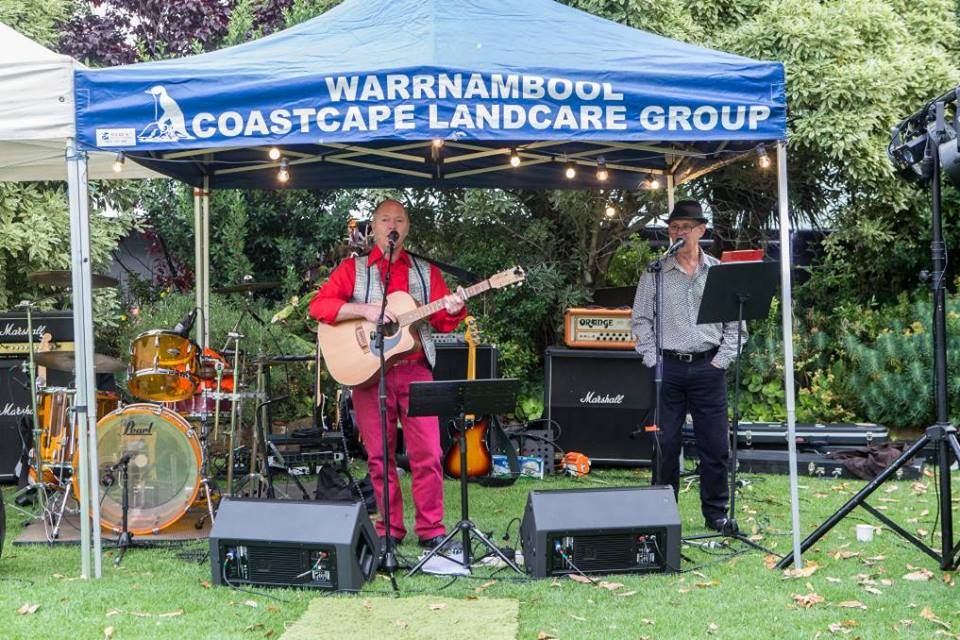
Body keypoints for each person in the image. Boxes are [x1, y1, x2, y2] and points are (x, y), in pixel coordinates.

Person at [309, 199, 466, 550]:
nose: (391, 225)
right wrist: (363, 309)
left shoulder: (426, 272)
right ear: (374, 227)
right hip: (370, 374)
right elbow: (319, 306)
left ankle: (431, 531)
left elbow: (442, 319)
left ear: (406, 228)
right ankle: (390, 530)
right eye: (384, 219)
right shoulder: (354, 269)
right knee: (380, 457)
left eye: (399, 219)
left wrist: (455, 307)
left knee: (428, 453)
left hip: (416, 370)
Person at [630, 200, 746, 534]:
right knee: (665, 445)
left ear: (700, 230)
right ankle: (662, 514)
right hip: (668, 368)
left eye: (684, 227)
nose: (678, 233)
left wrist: (719, 362)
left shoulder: (719, 272)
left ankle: (716, 515)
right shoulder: (655, 272)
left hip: (708, 367)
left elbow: (736, 327)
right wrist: (654, 361)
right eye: (673, 227)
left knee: (715, 446)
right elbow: (640, 321)